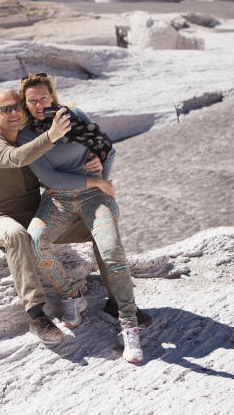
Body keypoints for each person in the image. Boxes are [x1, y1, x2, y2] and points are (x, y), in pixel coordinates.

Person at [16, 73, 145, 363]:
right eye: (32, 100)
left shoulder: (75, 116)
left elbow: (107, 149)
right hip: (57, 198)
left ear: (53, 97)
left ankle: (129, 326)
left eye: (44, 98)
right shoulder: (27, 136)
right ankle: (72, 295)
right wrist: (94, 182)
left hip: (94, 197)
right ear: (25, 103)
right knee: (35, 241)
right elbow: (49, 176)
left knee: (111, 251)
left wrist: (101, 178)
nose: (39, 105)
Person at [0, 89, 73, 346]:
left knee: (92, 218)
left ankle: (119, 303)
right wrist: (51, 135)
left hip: (34, 214)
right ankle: (36, 315)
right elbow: (18, 158)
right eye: (5, 109)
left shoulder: (28, 138)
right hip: (1, 218)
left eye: (17, 107)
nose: (13, 113)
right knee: (16, 234)